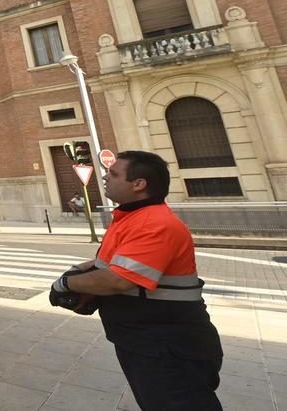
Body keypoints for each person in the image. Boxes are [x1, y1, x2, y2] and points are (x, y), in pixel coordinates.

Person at [49, 150, 223, 410]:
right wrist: (75, 271)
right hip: (144, 339)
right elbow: (107, 263)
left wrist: (65, 284)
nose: (106, 177)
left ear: (139, 184)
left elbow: (117, 280)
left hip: (168, 344)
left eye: (114, 173)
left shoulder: (155, 223)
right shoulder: (130, 218)